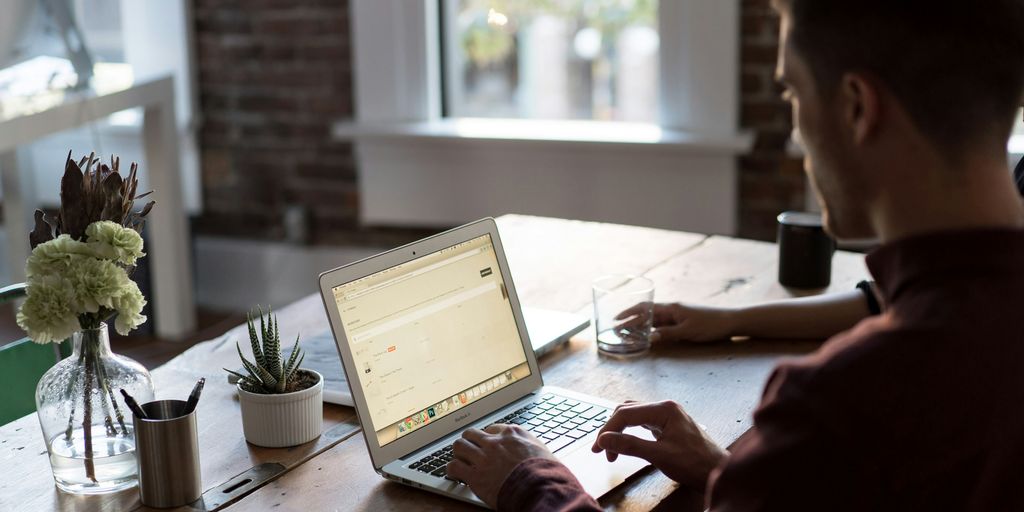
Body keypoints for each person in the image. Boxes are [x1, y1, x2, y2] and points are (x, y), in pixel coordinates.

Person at [445, 1, 1024, 510]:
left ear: (855, 107)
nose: (797, 141)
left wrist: (532, 482)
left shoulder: (841, 404)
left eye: (794, 92)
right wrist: (735, 476)